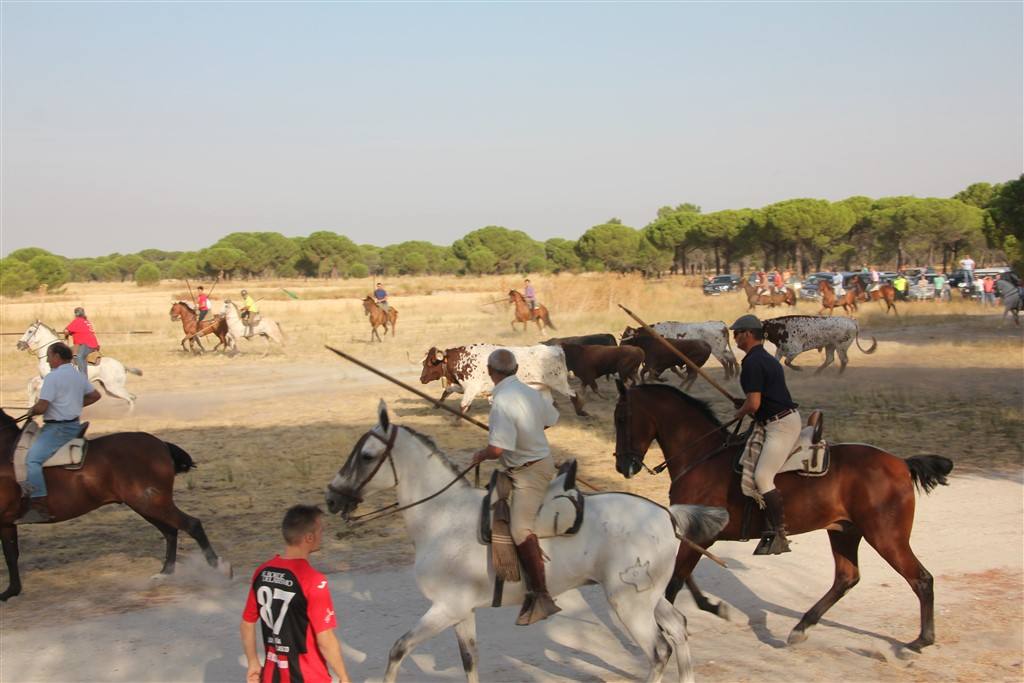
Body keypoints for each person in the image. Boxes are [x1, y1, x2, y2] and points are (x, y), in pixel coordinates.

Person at [471, 348, 560, 625]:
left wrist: (481, 454)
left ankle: (541, 595)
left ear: (489, 371)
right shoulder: (532, 393)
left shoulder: (501, 403)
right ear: (516, 368)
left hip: (529, 473)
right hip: (530, 463)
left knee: (520, 528)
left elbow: (497, 449)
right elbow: (549, 420)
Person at [241, 504, 350, 683]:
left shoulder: (262, 571)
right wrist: (344, 676)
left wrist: (253, 662)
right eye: (321, 530)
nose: (322, 535)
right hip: (309, 676)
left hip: (272, 676)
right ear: (309, 537)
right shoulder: (314, 580)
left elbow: (247, 623)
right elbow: (325, 640)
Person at [730, 315, 800, 555]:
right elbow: (764, 395)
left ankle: (780, 534)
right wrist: (747, 403)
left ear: (747, 334)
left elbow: (755, 404)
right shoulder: (763, 357)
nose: (734, 338)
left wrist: (740, 411)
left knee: (762, 477)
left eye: (736, 333)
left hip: (780, 426)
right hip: (776, 419)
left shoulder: (752, 363)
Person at [18, 342, 102, 523]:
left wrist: (33, 410)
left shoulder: (52, 378)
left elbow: (43, 406)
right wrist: (74, 404)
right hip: (73, 424)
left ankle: (38, 506)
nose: (47, 360)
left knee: (31, 459)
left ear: (56, 356)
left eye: (49, 356)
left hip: (57, 429)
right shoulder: (77, 375)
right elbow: (95, 396)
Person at [63, 308, 99, 374]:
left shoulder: (78, 321)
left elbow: (66, 330)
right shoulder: (85, 321)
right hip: (91, 344)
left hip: (87, 345)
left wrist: (67, 334)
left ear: (76, 314)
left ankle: (83, 378)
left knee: (80, 356)